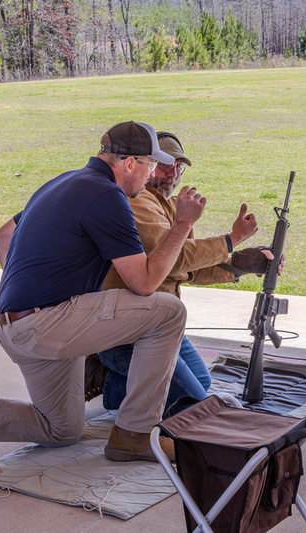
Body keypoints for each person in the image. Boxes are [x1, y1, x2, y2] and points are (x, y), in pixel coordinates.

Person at [0, 120, 206, 470]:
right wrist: (183, 224)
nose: (153, 172)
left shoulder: (63, 180)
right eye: (150, 164)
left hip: (13, 324)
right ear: (129, 164)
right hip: (46, 324)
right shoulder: (108, 195)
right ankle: (135, 434)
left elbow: (2, 238)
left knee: (61, 428)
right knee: (168, 311)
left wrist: (32, 293)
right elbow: (144, 283)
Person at [93, 131, 275, 413]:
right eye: (166, 165)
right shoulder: (138, 201)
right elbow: (178, 261)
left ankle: (115, 383)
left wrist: (239, 264)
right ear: (148, 165)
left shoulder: (166, 203)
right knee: (191, 405)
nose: (173, 173)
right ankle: (105, 376)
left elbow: (185, 270)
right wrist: (231, 240)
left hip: (156, 323)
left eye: (179, 166)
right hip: (131, 330)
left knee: (200, 382)